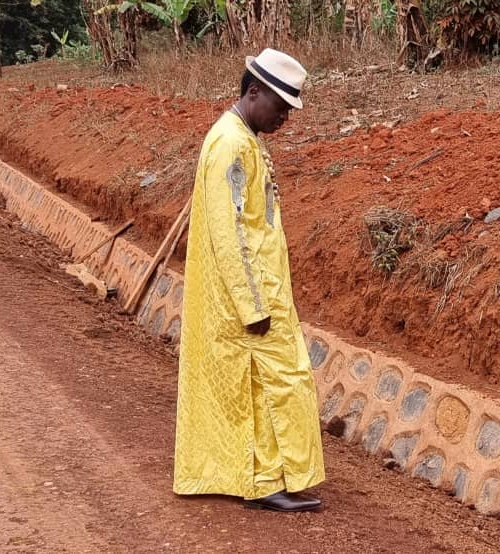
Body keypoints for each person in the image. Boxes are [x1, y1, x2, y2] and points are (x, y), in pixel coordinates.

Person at [173, 48, 326, 512]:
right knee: (272, 381)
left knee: (266, 383)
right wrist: (252, 304)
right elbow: (230, 230)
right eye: (279, 108)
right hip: (251, 294)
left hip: (259, 288)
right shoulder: (232, 144)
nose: (284, 119)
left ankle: (271, 475)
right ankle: (263, 480)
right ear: (253, 91)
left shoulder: (240, 137)